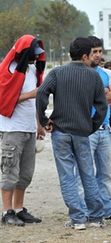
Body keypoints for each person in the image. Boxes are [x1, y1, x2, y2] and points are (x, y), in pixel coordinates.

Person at [36, 37, 107, 230]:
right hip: (82, 131)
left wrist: (44, 119)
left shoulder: (57, 72)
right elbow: (102, 106)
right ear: (85, 55)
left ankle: (77, 219)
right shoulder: (94, 76)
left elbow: (42, 93)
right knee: (88, 174)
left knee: (67, 175)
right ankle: (96, 217)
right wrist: (91, 125)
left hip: (60, 131)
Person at [0, 34, 45, 226]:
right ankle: (6, 211)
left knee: (26, 173)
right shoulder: (7, 71)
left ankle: (19, 209)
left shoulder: (33, 71)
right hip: (12, 129)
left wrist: (39, 124)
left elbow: (34, 101)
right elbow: (4, 101)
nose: (36, 57)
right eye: (33, 54)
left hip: (28, 128)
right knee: (10, 171)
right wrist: (32, 94)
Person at [87, 36, 111, 219]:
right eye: (94, 52)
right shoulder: (80, 73)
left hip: (104, 129)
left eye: (100, 51)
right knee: (86, 173)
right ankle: (88, 209)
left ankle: (108, 208)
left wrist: (96, 95)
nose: (98, 55)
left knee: (105, 173)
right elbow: (82, 98)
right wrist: (102, 93)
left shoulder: (107, 73)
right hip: (86, 130)